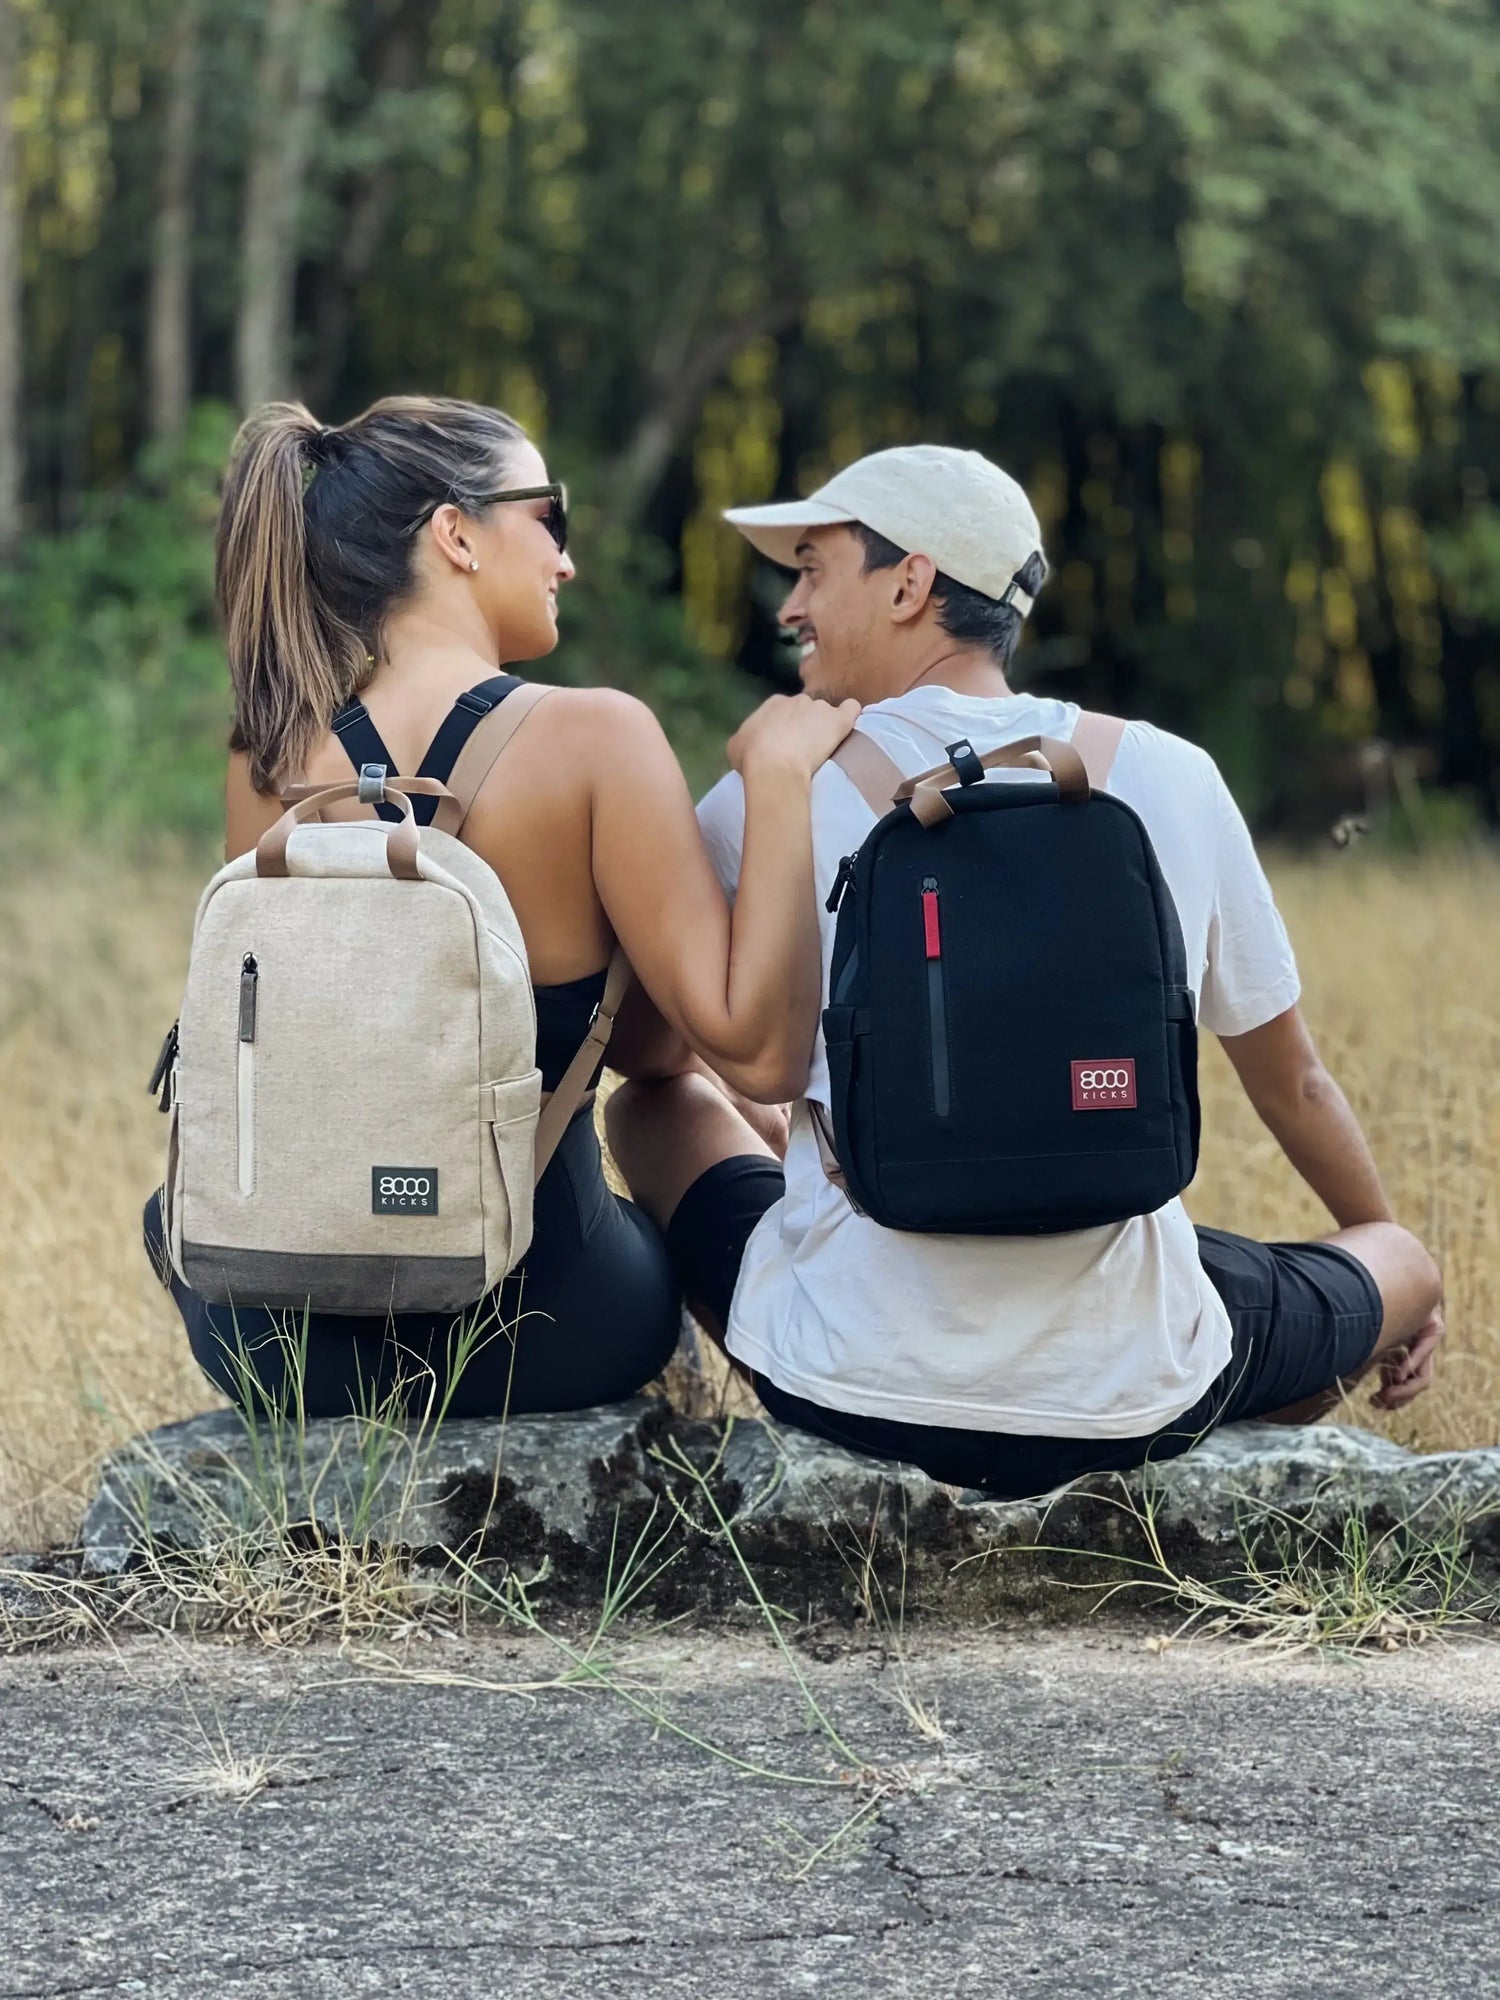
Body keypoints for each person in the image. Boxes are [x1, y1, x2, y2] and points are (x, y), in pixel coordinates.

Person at [607, 444, 1445, 1498]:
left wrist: (793, 1114)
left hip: (843, 1381)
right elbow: (1296, 1083)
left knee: (652, 1109)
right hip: (1129, 1385)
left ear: (909, 581)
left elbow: (650, 1052)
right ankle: (1190, 1413)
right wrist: (1384, 1242)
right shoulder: (1174, 774)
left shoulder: (764, 790)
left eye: (813, 568)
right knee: (1399, 1263)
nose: (789, 606)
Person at [144, 395, 856, 1421]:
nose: (565, 558)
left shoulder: (266, 754)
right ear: (456, 533)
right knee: (678, 1119)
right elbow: (757, 1055)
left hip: (270, 1336)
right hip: (541, 1327)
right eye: (548, 518)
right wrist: (782, 788)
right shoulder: (594, 737)